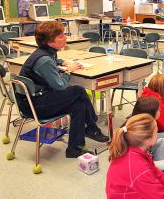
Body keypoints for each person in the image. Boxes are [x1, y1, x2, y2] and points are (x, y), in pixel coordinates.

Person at [16, 21, 108, 158]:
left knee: (79, 105)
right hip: (35, 106)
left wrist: (63, 62)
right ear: (50, 42)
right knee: (78, 90)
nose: (65, 37)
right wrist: (68, 71)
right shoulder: (45, 60)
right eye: (61, 36)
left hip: (34, 101)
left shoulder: (46, 52)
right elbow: (59, 86)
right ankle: (92, 126)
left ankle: (73, 149)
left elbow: (53, 61)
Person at [106, 114, 164, 199]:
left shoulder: (133, 151)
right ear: (148, 140)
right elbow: (161, 197)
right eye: (156, 132)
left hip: (136, 192)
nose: (157, 135)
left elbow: (158, 174)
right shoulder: (139, 168)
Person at [130, 97, 164, 179]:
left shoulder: (140, 123)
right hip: (139, 167)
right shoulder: (140, 132)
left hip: (144, 160)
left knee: (163, 141)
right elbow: (141, 161)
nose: (160, 111)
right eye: (159, 110)